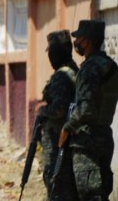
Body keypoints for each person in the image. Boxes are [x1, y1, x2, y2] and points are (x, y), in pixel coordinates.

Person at [59, 20, 118, 200]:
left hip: (87, 141)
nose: (76, 43)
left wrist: (66, 128)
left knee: (89, 194)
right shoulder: (110, 65)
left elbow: (86, 108)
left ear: (87, 41)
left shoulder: (89, 68)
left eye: (79, 38)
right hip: (105, 138)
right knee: (101, 194)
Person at [38, 30, 78, 200]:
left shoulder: (62, 75)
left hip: (58, 140)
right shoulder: (73, 70)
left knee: (56, 182)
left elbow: (59, 109)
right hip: (67, 139)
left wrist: (42, 112)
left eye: (52, 51)